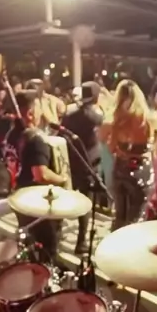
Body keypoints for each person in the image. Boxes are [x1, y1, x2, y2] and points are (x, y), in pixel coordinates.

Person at [5, 90, 67, 261]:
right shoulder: (36, 140)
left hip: (18, 195)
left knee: (29, 244)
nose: (42, 112)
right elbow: (40, 174)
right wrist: (62, 179)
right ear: (31, 113)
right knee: (48, 248)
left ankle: (30, 270)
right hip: (36, 202)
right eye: (40, 108)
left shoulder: (11, 135)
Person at [100, 79, 157, 230]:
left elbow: (107, 143)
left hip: (121, 168)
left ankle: (115, 241)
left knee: (119, 214)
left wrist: (120, 151)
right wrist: (151, 149)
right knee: (137, 216)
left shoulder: (114, 119)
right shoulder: (149, 118)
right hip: (142, 169)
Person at [61, 81, 103, 254]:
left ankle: (58, 231)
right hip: (88, 163)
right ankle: (81, 242)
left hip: (71, 161)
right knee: (86, 202)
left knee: (67, 197)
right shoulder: (94, 116)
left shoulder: (70, 112)